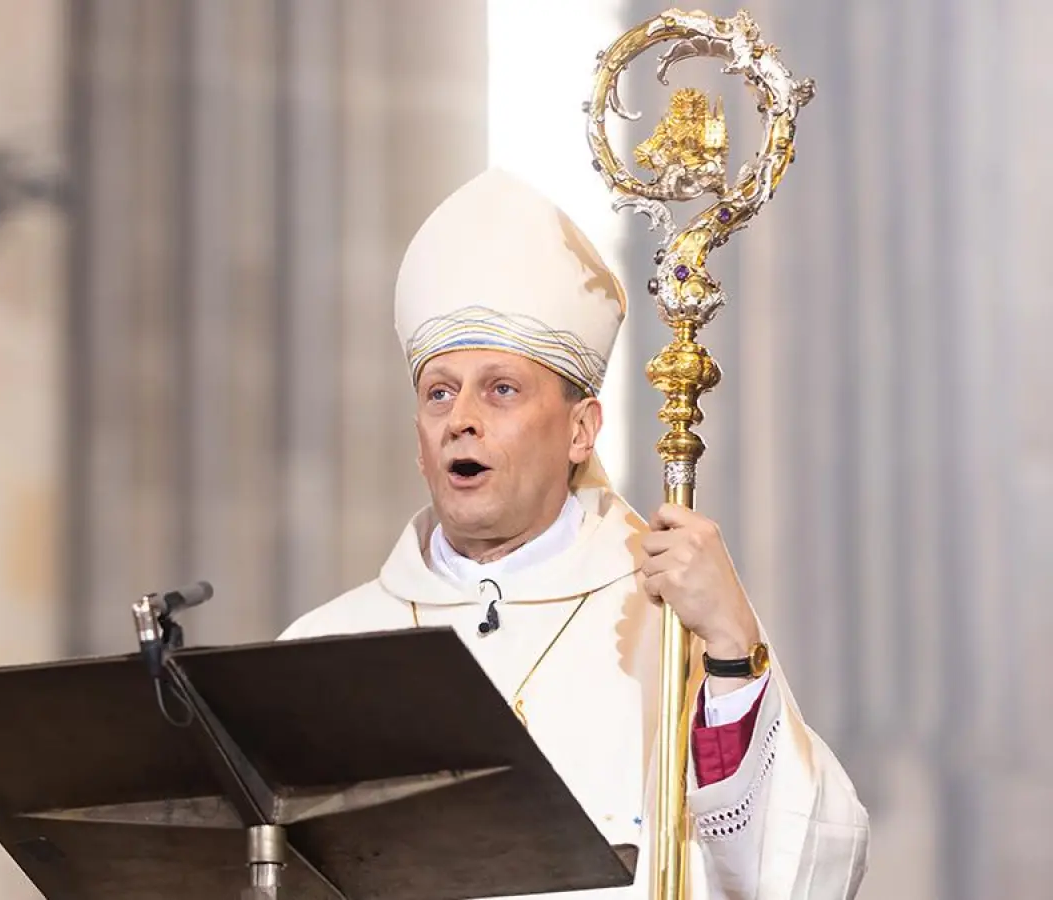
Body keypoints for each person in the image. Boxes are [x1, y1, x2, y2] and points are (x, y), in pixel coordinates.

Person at [279, 169, 868, 899]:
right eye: (439, 392)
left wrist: (731, 650)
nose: (461, 418)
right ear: (419, 440)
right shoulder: (320, 651)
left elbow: (800, 869)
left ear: (581, 430)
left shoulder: (666, 623)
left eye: (500, 389)